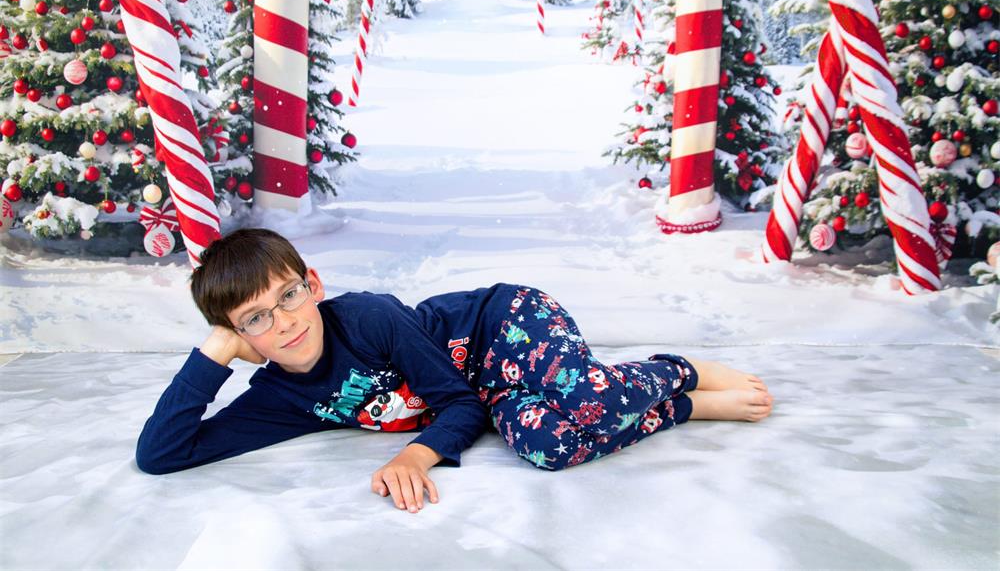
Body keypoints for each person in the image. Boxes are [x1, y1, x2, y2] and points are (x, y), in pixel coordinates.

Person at [136, 228, 773, 513]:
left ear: (314, 285)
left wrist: (417, 457)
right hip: (491, 394)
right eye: (254, 321)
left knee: (588, 400)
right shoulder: (278, 397)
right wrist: (212, 355)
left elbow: (456, 406)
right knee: (551, 447)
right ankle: (683, 409)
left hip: (505, 325)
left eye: (289, 296)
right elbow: (162, 454)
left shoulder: (369, 319)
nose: (283, 323)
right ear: (240, 338)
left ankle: (680, 370)